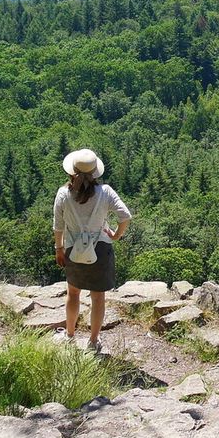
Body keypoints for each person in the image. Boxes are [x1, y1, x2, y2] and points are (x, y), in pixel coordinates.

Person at [53, 148, 131, 352]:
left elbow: (58, 226)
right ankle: (93, 342)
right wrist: (115, 235)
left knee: (73, 293)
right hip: (101, 248)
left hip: (72, 248)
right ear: (95, 171)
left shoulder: (63, 194)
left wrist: (59, 249)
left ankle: (70, 336)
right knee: (97, 297)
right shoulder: (105, 192)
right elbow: (125, 216)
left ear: (72, 172)